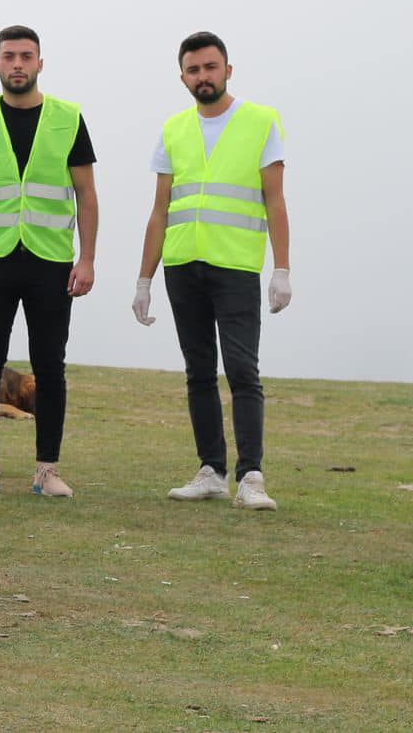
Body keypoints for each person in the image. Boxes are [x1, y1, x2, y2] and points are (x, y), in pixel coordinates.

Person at [135, 31, 291, 511]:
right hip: (183, 267)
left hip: (236, 265)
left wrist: (281, 268)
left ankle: (252, 477)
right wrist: (144, 279)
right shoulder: (174, 129)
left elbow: (275, 199)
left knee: (243, 371)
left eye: (211, 67)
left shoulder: (261, 122)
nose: (204, 76)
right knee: (199, 371)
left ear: (227, 69)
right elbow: (160, 208)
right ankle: (211, 471)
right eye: (194, 69)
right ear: (183, 76)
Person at [0, 25, 98, 498]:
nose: (17, 64)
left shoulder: (68, 118)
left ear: (39, 63)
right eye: (8, 56)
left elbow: (86, 195)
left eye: (26, 56)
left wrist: (88, 259)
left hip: (50, 260)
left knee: (50, 366)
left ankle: (47, 470)